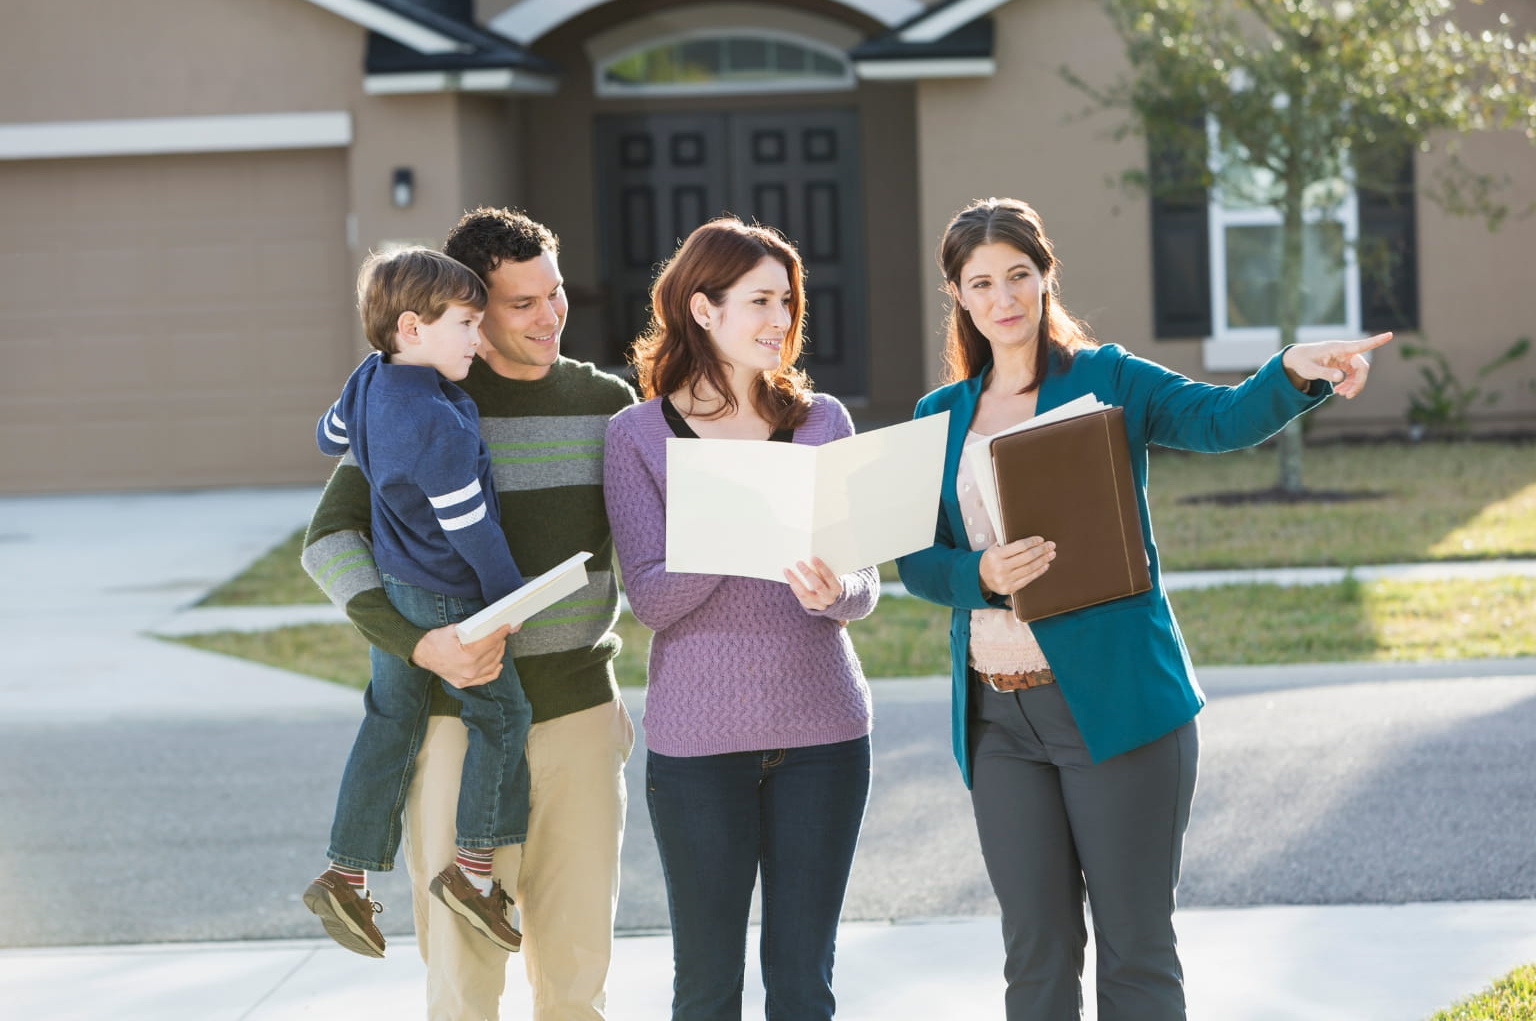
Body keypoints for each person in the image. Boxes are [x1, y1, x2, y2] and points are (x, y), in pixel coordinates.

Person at [895, 197, 1392, 1021]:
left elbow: (1220, 420)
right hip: (997, 722)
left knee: (1136, 950)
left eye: (1019, 275)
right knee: (1036, 958)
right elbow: (917, 562)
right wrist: (979, 571)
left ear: (1047, 275)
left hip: (1119, 707)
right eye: (981, 282)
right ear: (957, 294)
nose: (1003, 297)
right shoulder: (935, 417)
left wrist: (1295, 369)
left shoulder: (1109, 377)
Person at [302, 207, 638, 1021]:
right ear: (470, 312)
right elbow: (329, 541)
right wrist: (420, 648)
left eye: (554, 294)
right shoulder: (420, 399)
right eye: (521, 303)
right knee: (463, 983)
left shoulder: (609, 404)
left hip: (581, 721)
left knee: (577, 977)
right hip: (457, 725)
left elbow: (652, 548)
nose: (549, 315)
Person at [603, 217, 879, 1021]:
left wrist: (838, 593)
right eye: (759, 301)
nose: (779, 321)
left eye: (787, 302)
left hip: (825, 735)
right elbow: (650, 599)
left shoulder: (822, 420)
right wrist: (742, 517)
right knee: (706, 988)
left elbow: (865, 586)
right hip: (698, 748)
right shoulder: (637, 435)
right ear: (702, 309)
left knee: (803, 986)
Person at [304, 247, 531, 959]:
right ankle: (472, 873)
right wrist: (509, 603)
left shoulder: (368, 379)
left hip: (397, 587)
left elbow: (327, 436)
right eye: (465, 323)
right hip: (447, 598)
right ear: (411, 327)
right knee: (501, 716)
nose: (478, 338)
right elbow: (473, 532)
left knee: (390, 719)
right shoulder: (440, 425)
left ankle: (345, 873)